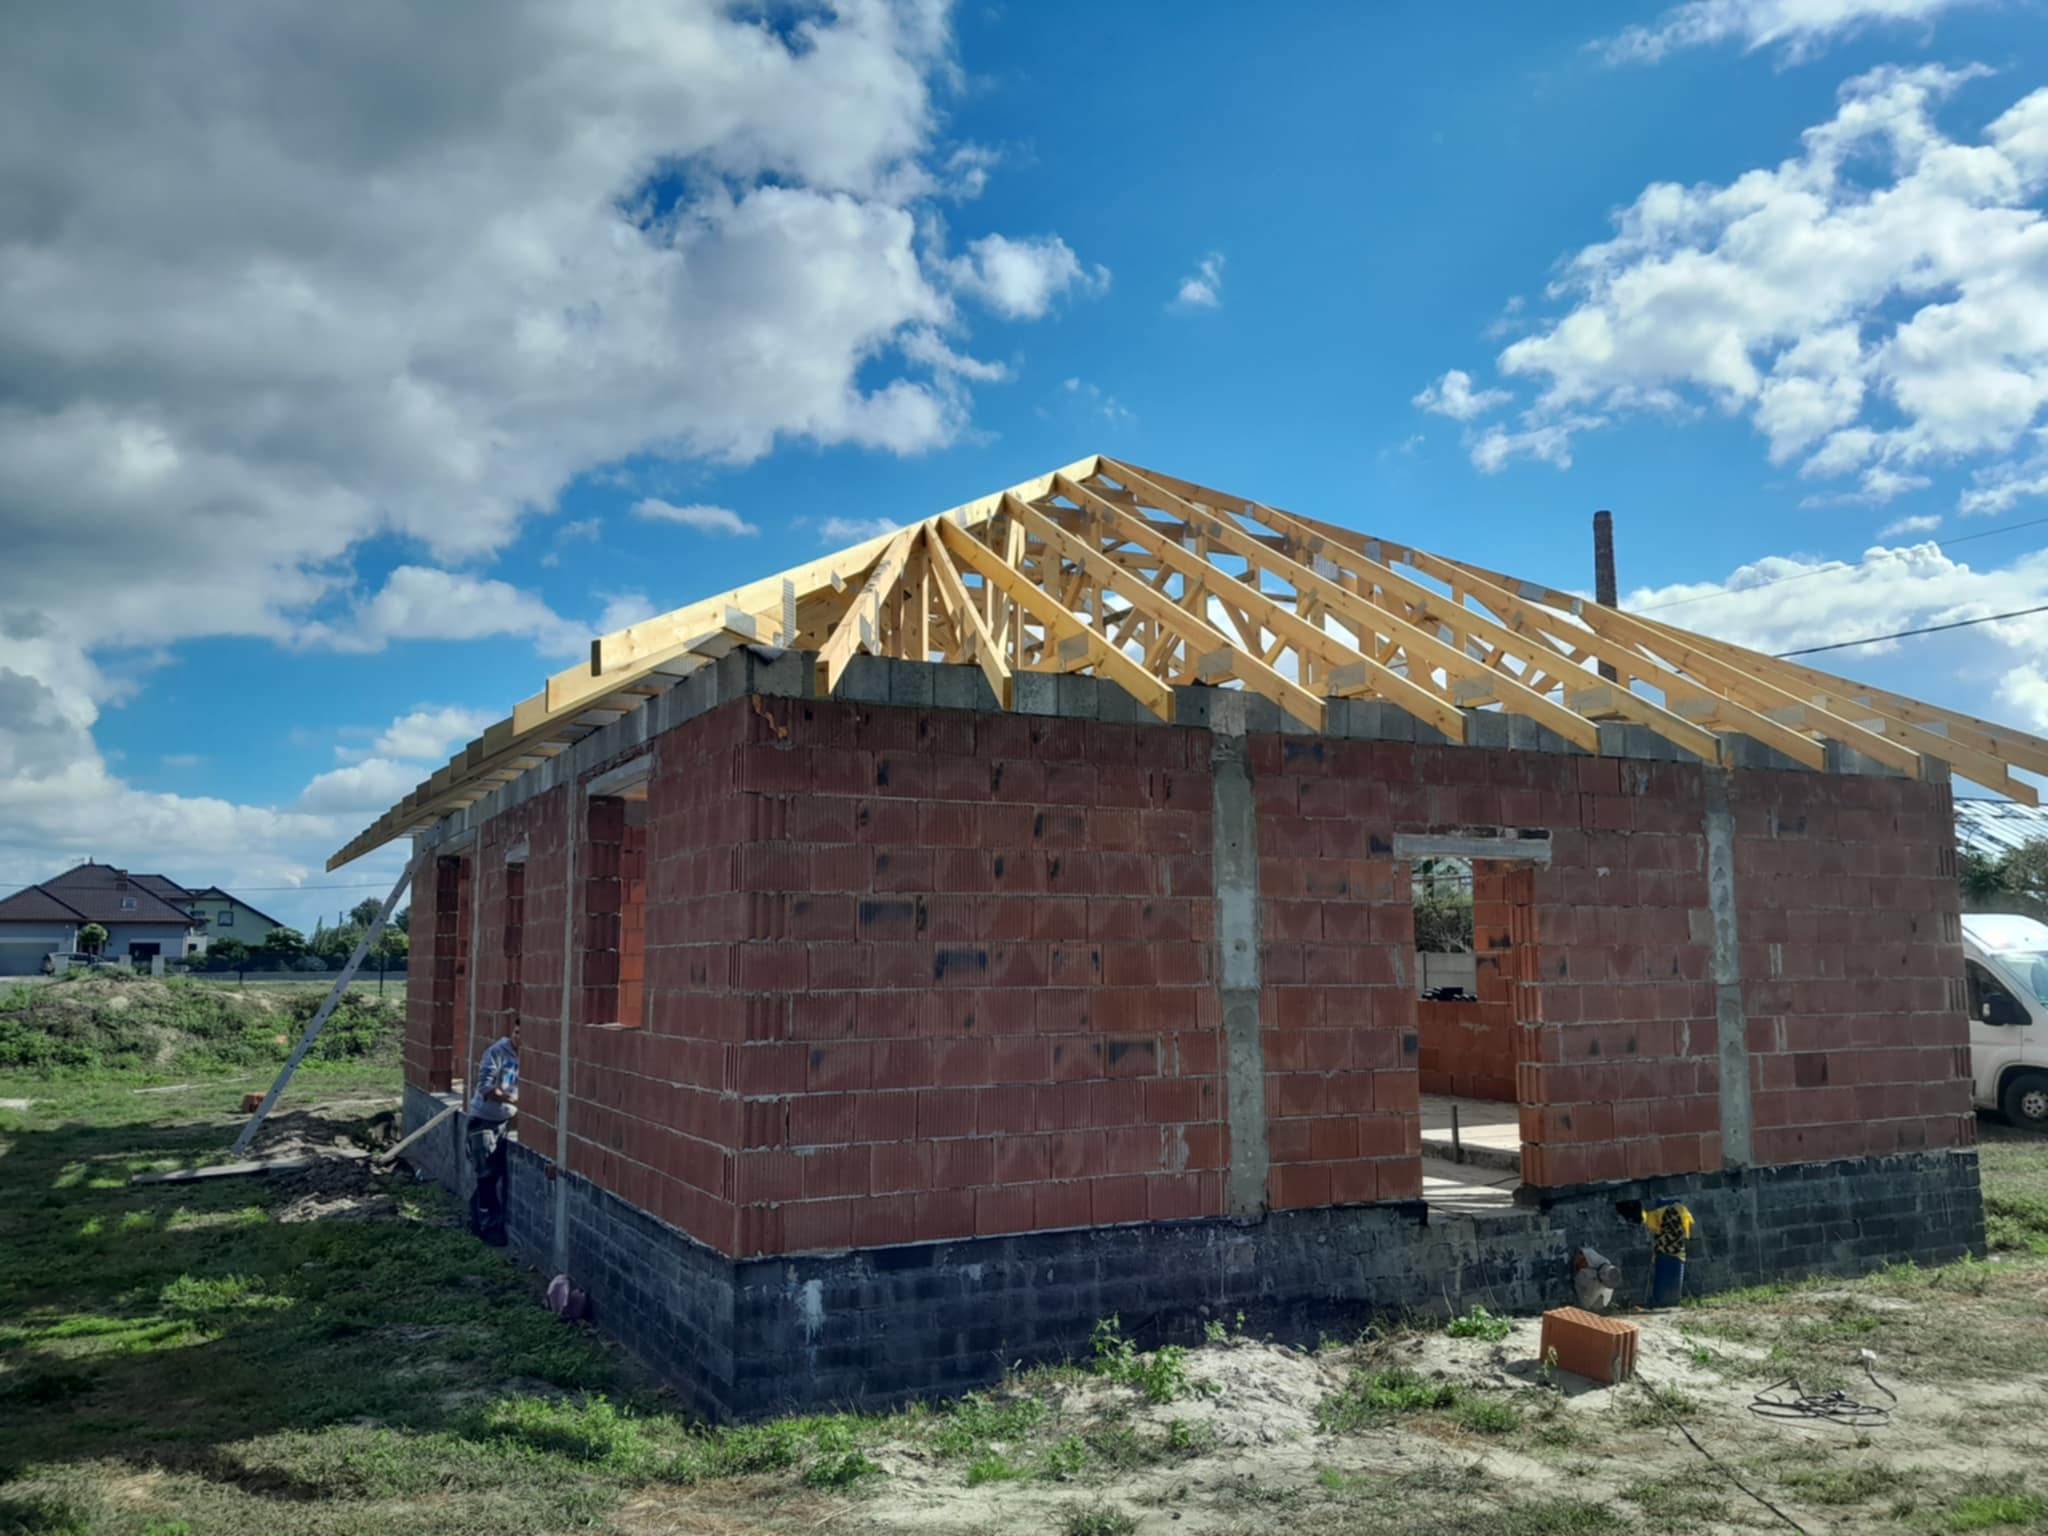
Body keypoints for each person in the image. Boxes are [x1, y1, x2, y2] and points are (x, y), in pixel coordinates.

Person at [467, 1019, 520, 1245]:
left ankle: (476, 1219)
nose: (520, 1037)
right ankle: (487, 1228)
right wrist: (512, 1099)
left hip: (505, 1122)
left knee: (492, 1174)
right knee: (486, 1175)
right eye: (517, 1032)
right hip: (484, 1121)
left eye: (524, 1033)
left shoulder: (530, 1055)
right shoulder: (497, 1052)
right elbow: (486, 1087)